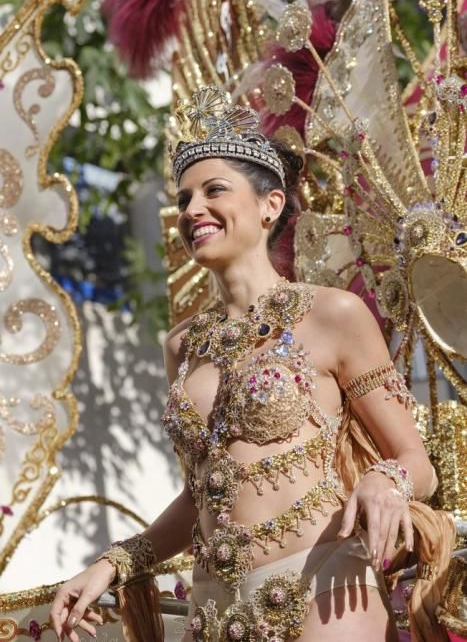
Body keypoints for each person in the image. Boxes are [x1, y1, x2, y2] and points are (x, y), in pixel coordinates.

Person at [50, 87, 451, 642]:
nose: (192, 211)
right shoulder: (182, 347)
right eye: (185, 197)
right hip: (216, 613)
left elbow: (417, 462)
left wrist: (387, 481)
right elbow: (201, 496)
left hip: (325, 593)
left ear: (271, 205)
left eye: (214, 190)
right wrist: (115, 561)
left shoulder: (332, 314)